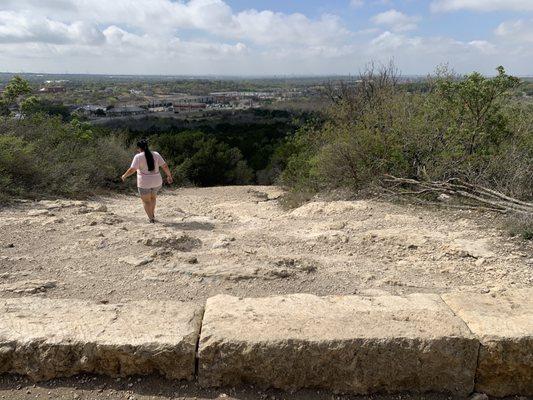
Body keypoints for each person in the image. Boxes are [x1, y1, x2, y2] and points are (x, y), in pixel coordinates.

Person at [121, 139, 173, 223]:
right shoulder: (156, 154)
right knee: (153, 198)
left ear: (138, 148)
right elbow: (165, 166)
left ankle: (151, 218)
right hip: (156, 181)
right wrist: (169, 176)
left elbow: (132, 169)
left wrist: (124, 176)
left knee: (146, 201)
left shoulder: (138, 156)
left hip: (144, 182)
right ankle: (152, 215)